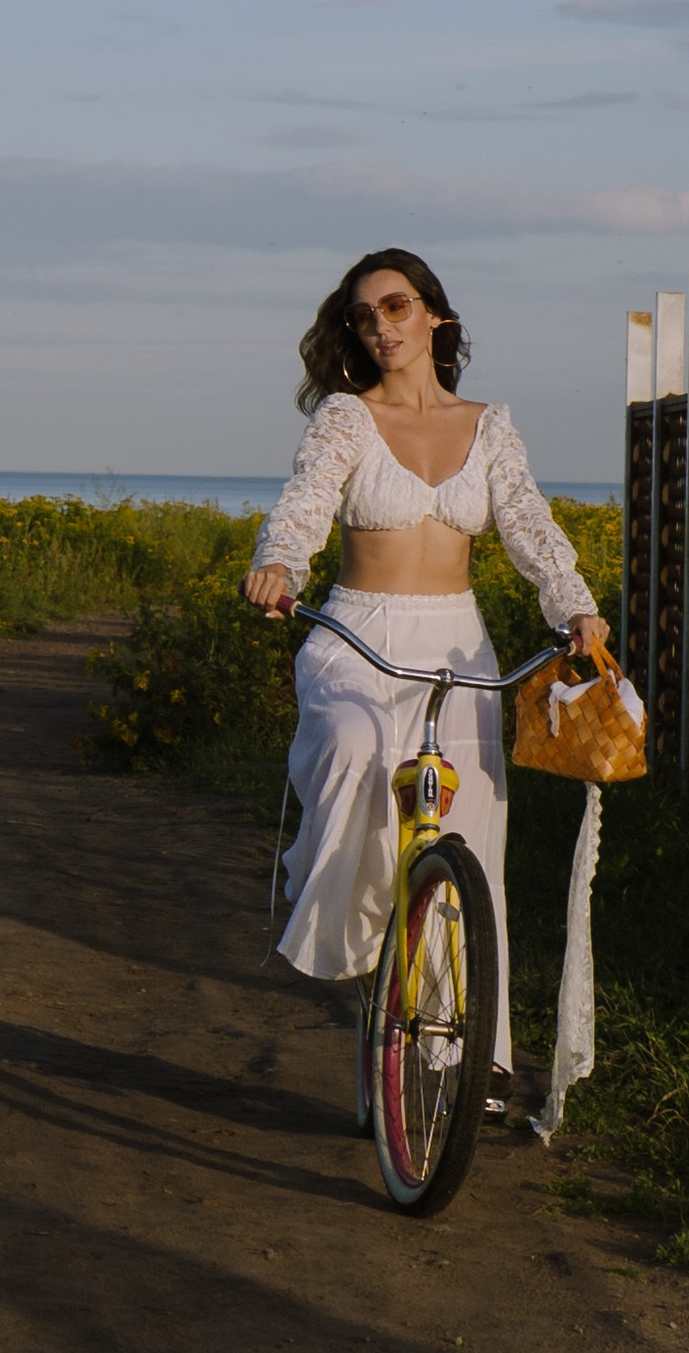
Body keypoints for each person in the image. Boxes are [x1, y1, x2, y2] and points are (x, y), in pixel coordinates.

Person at [243, 248, 608, 1098]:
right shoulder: (344, 418)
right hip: (357, 637)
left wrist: (574, 605)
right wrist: (280, 565)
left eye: (397, 307)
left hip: (456, 644)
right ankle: (363, 940)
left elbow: (528, 522)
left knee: (469, 841)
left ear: (435, 314)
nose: (381, 327)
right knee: (355, 750)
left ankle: (464, 1049)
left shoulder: (490, 425)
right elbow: (302, 505)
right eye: (365, 316)